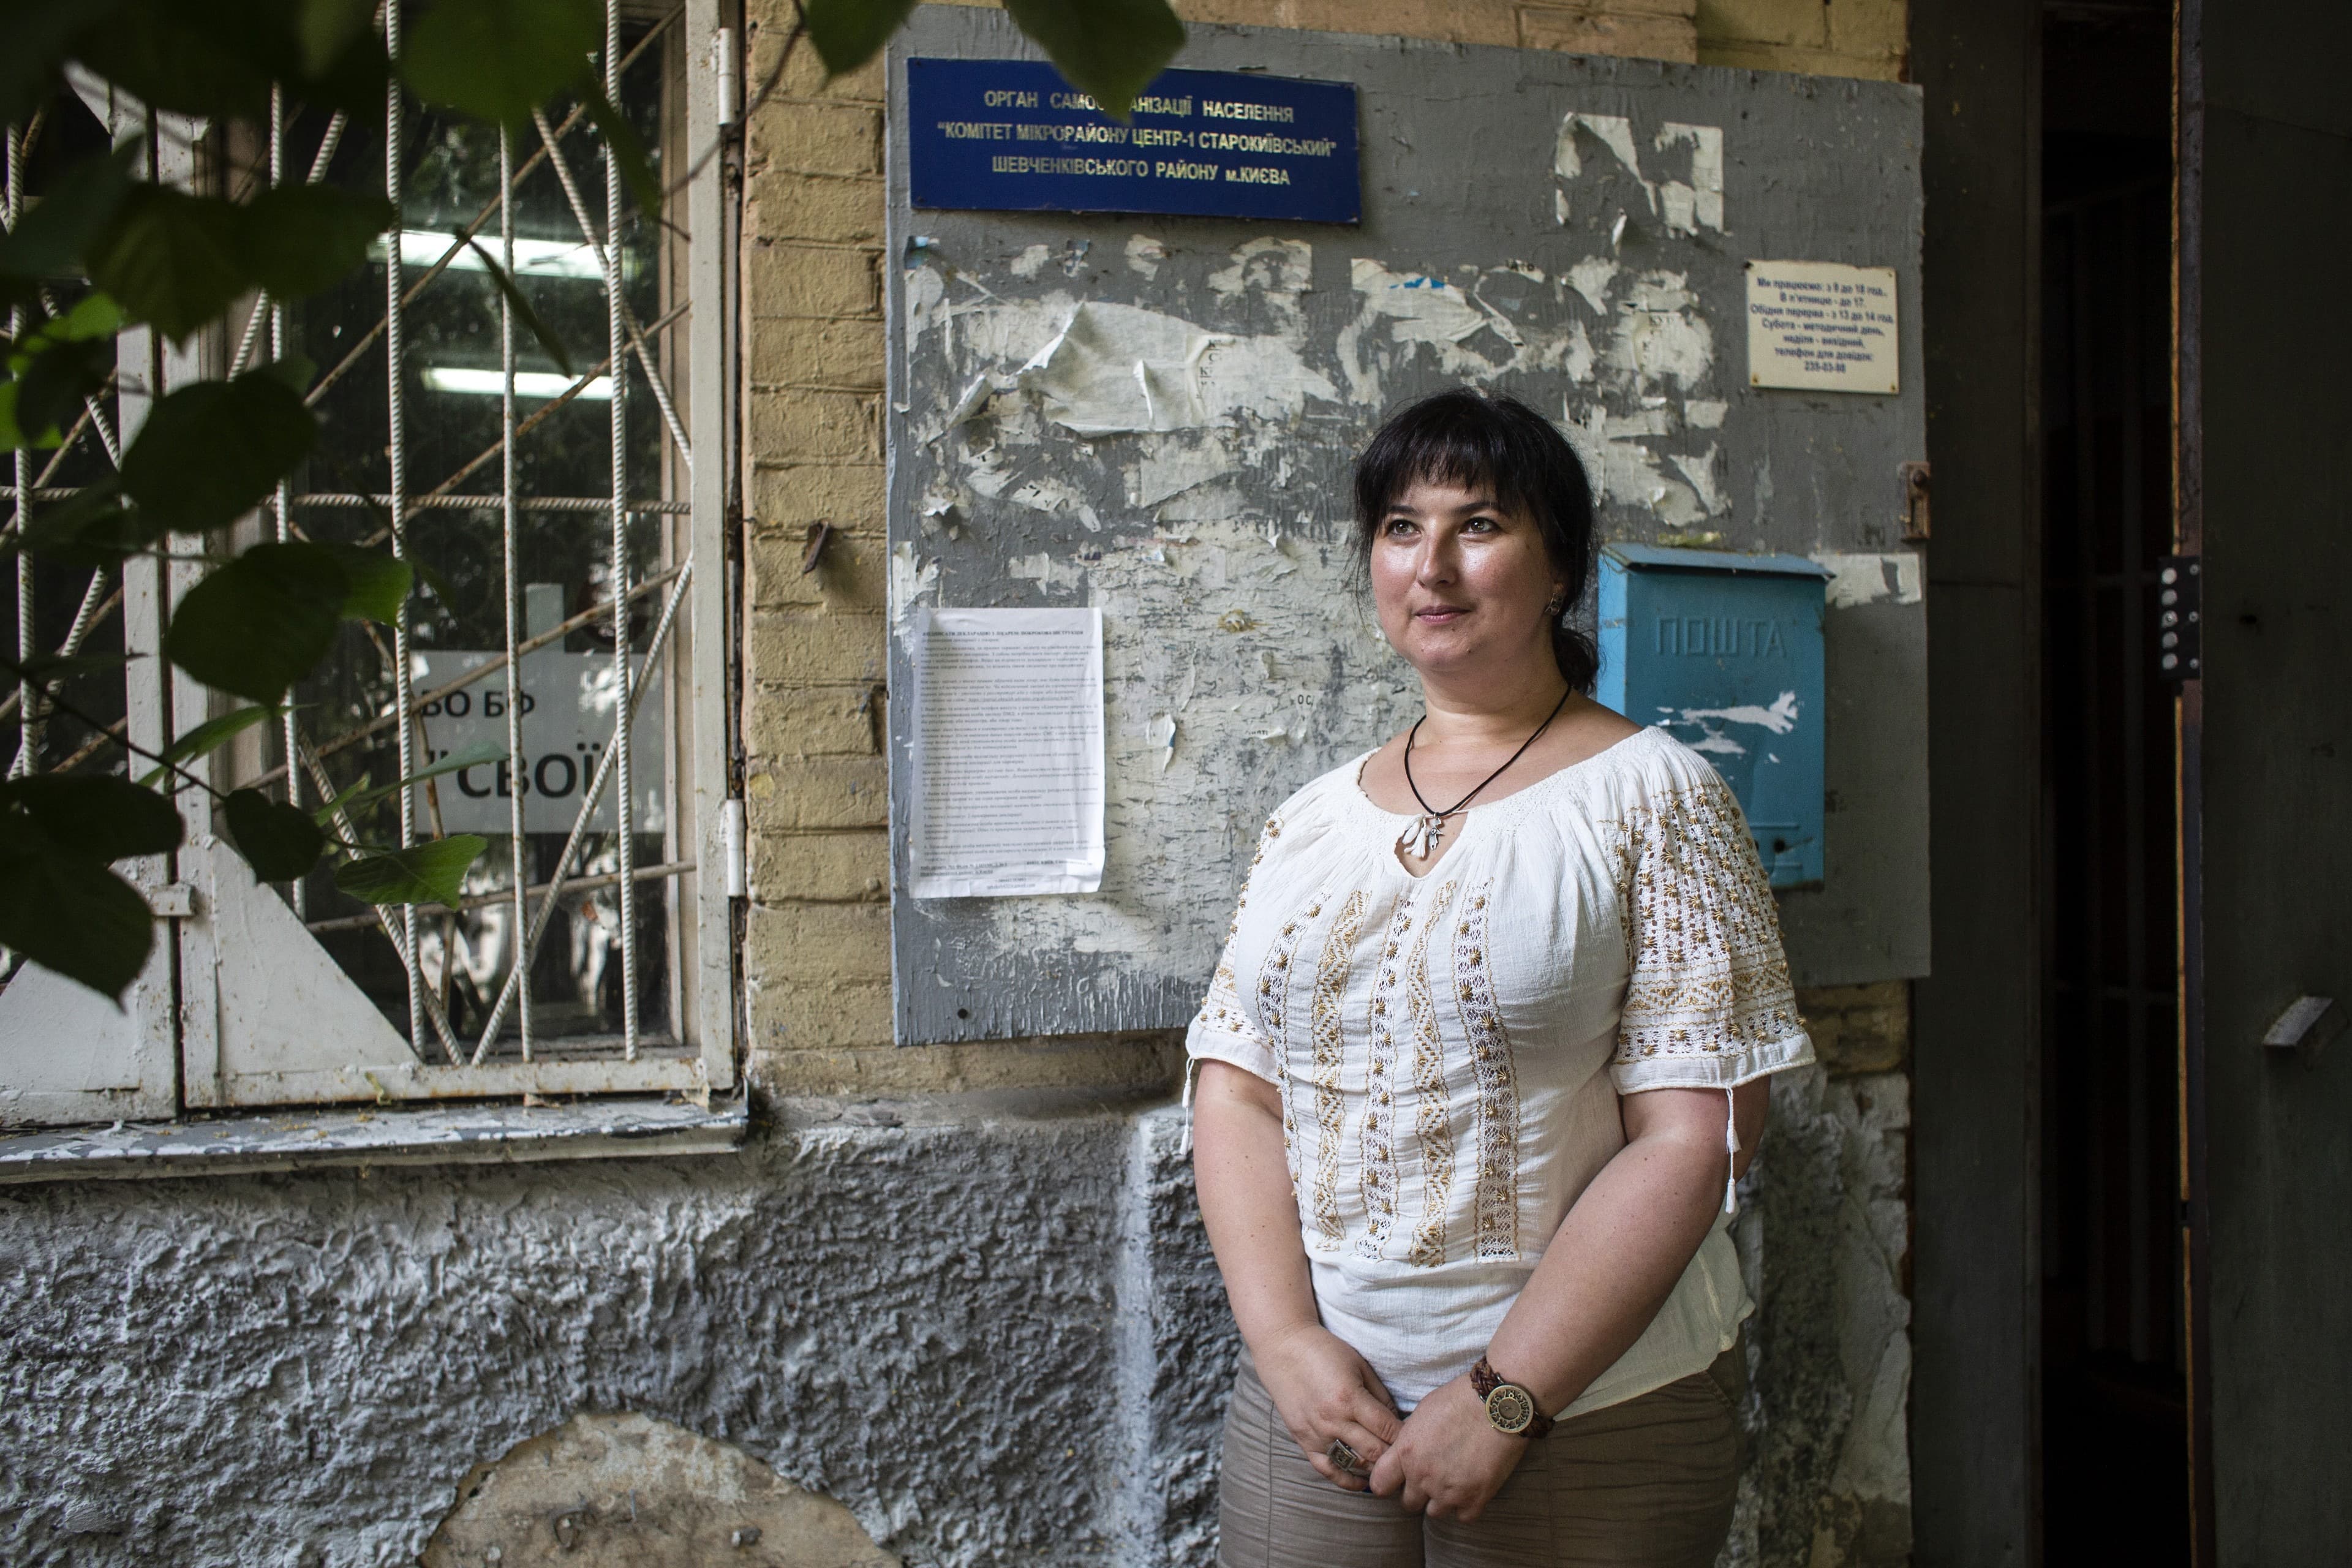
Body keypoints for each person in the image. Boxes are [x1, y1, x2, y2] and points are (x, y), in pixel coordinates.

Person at [1185, 388, 1815, 1567]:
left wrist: (1505, 1397)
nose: (1432, 566)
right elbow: (1238, 1090)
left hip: (1593, 1407)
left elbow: (1697, 1137)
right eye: (1400, 528)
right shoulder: (1311, 821)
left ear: (1560, 566)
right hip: (1318, 1406)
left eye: (1478, 525)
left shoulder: (1657, 797)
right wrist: (1283, 1344)